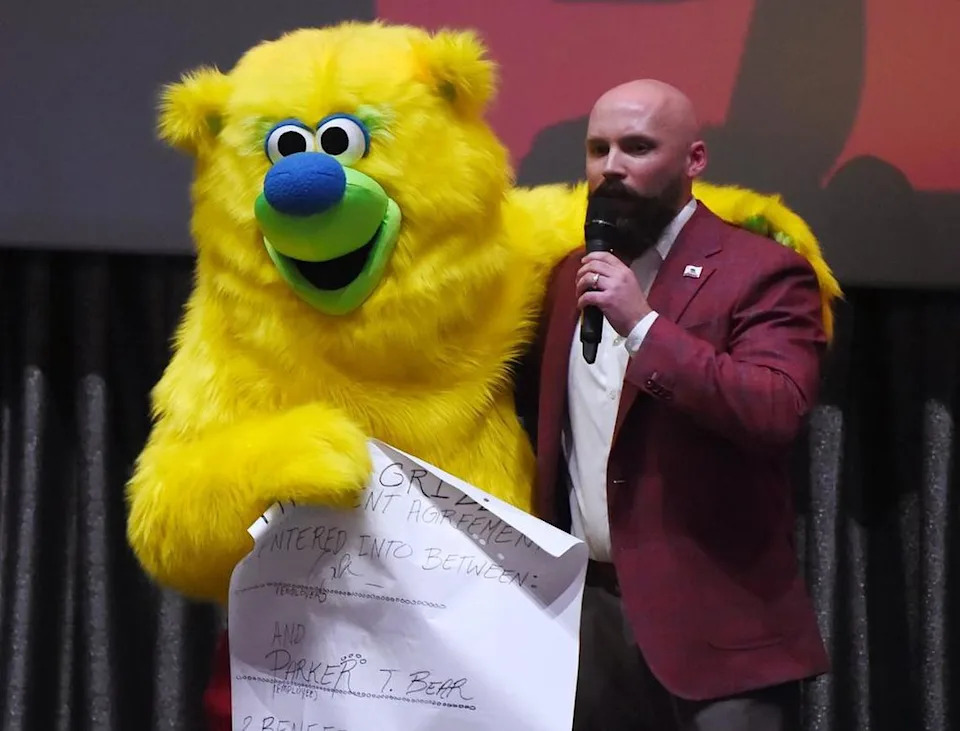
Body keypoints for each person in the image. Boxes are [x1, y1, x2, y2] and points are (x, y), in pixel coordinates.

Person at [519, 79, 831, 730]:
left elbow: (775, 410)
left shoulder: (762, 270)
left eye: (637, 147)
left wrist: (644, 326)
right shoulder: (569, 273)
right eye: (598, 149)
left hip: (718, 633)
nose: (611, 166)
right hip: (588, 623)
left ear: (694, 159)